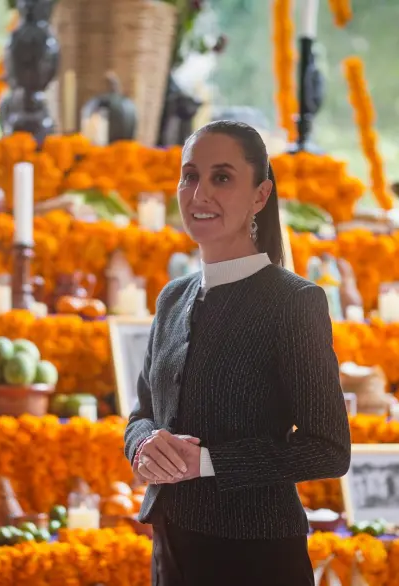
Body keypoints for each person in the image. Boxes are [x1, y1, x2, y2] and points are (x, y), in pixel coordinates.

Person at [124, 120, 351, 586]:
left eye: (221, 177)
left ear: (260, 195)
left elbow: (329, 450)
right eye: (190, 175)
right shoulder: (172, 297)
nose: (199, 192)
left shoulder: (293, 302)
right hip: (170, 548)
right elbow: (141, 414)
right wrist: (144, 445)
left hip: (254, 557)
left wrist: (206, 462)